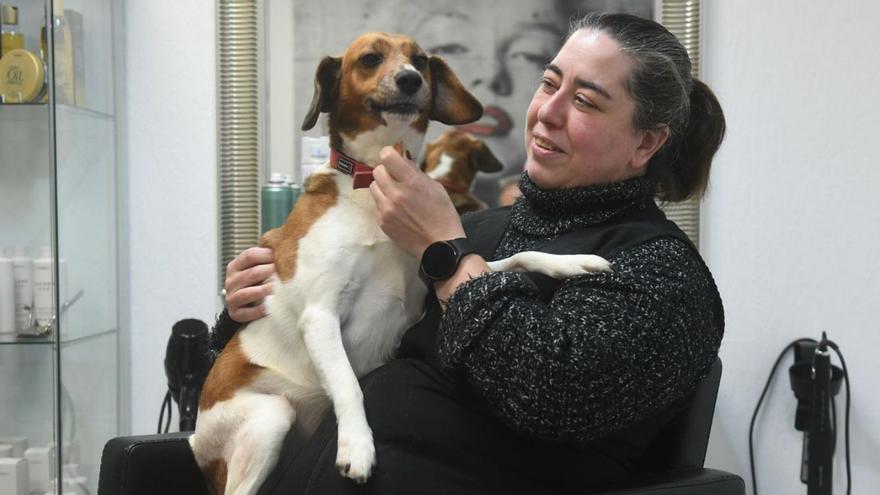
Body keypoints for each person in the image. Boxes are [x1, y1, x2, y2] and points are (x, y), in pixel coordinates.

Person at [214, 12, 726, 494]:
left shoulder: (663, 273)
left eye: (586, 101)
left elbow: (548, 394)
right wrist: (253, 303)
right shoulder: (477, 227)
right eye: (549, 84)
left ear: (646, 143)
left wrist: (446, 255)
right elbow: (338, 338)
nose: (546, 112)